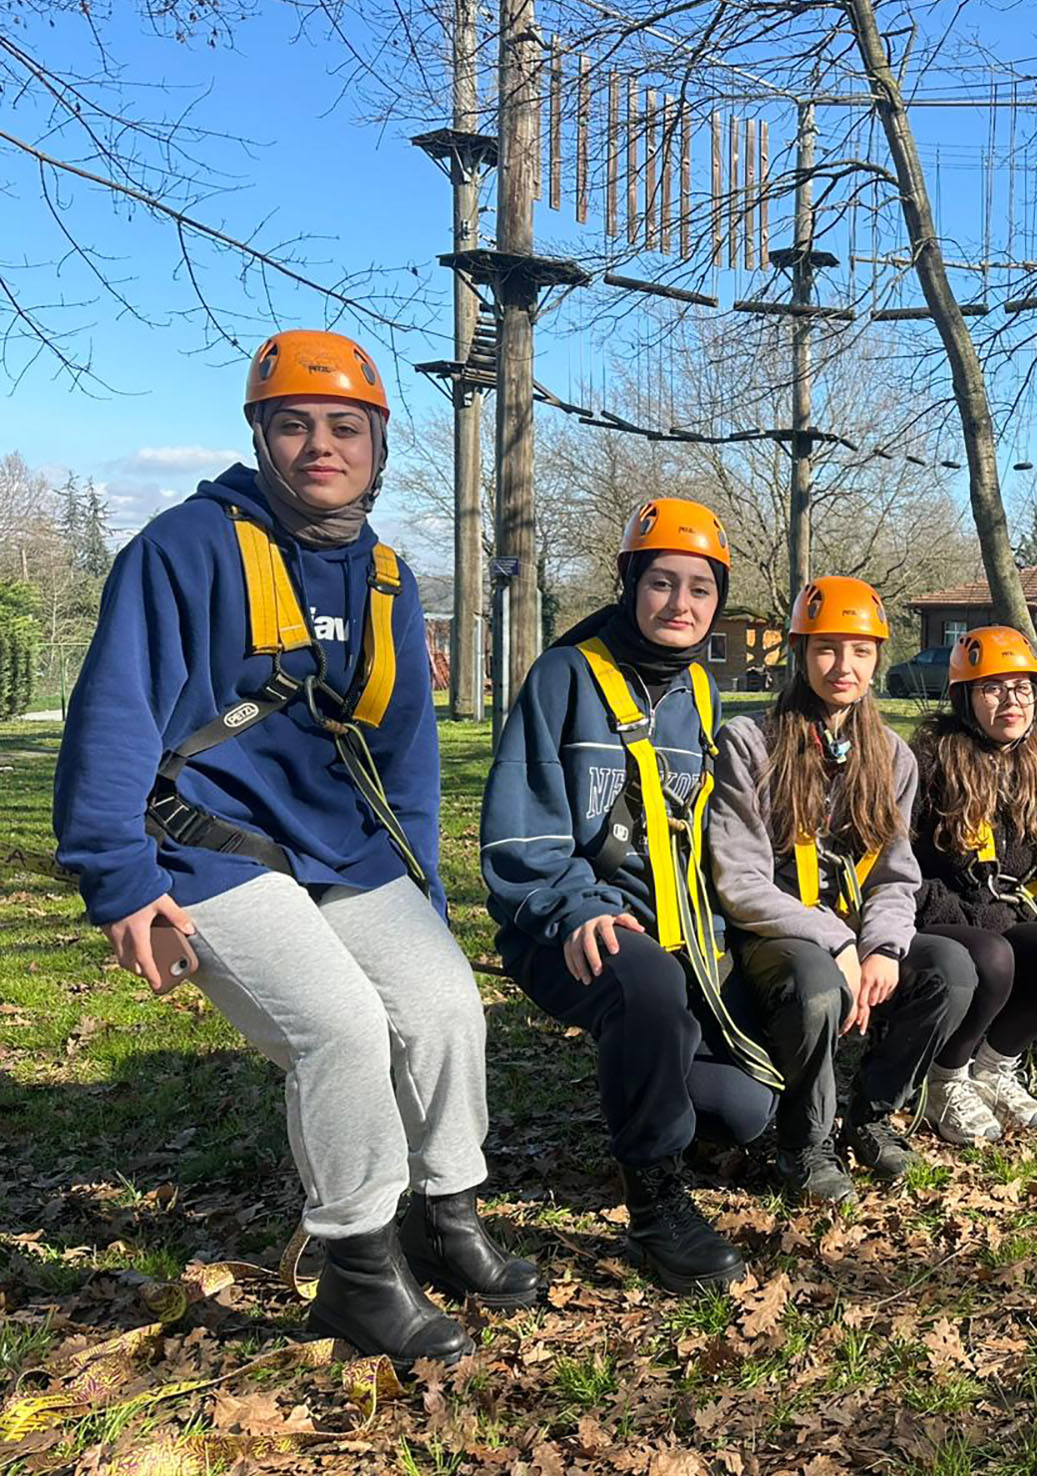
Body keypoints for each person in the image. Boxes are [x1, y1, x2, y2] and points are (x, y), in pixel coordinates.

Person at [54, 330, 538, 1368]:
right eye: (294, 424)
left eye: (344, 427)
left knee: (447, 1004)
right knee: (342, 1031)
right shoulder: (182, 549)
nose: (321, 444)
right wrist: (118, 883)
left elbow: (402, 751)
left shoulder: (388, 577)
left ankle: (445, 1217)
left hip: (343, 847)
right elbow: (114, 718)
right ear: (261, 437)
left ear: (377, 443)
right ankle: (357, 1272)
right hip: (201, 847)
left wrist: (420, 890)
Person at [482, 497, 776, 1293]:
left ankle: (655, 1082)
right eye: (661, 584)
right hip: (566, 925)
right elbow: (520, 838)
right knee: (641, 978)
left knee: (746, 1114)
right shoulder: (562, 679)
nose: (680, 605)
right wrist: (576, 909)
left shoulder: (699, 696)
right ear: (628, 585)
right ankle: (653, 1202)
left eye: (700, 589)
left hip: (678, 935)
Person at [706, 577, 977, 1202]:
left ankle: (872, 1114)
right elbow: (738, 880)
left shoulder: (890, 755)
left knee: (951, 970)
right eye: (827, 649)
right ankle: (805, 1143)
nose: (843, 666)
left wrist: (883, 946)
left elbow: (895, 874)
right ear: (801, 653)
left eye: (859, 650)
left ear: (879, 656)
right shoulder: (750, 743)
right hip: (775, 932)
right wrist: (835, 942)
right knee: (817, 989)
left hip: (856, 933)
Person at [907, 626, 1037, 1144]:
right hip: (938, 915)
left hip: (1004, 916)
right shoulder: (931, 762)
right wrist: (970, 913)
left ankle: (994, 1066)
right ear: (964, 697)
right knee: (993, 956)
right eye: (993, 688)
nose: (1011, 700)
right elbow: (904, 867)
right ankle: (945, 1077)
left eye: (1022, 688)